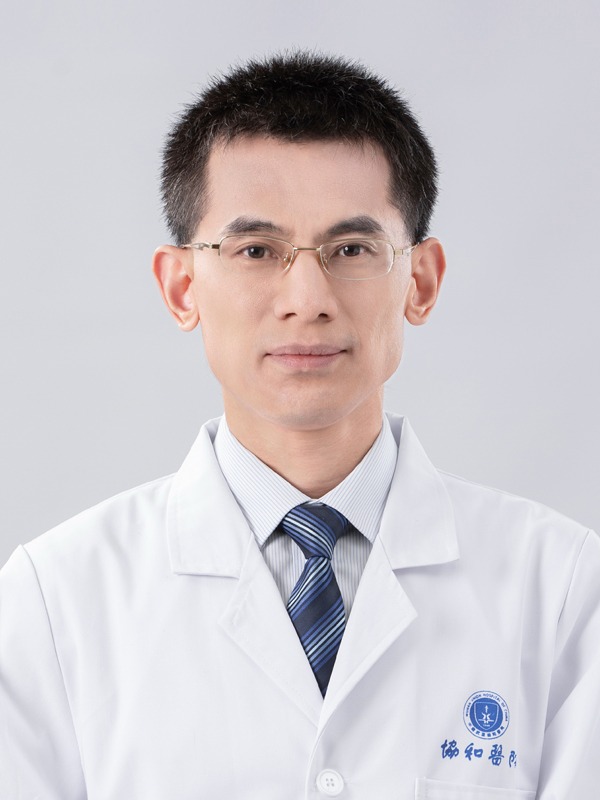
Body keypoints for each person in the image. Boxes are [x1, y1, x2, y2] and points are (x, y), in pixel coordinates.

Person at [0, 52, 598, 800]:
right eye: (256, 251)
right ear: (182, 287)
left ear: (420, 280)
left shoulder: (563, 589)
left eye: (352, 249)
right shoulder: (53, 601)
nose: (307, 298)